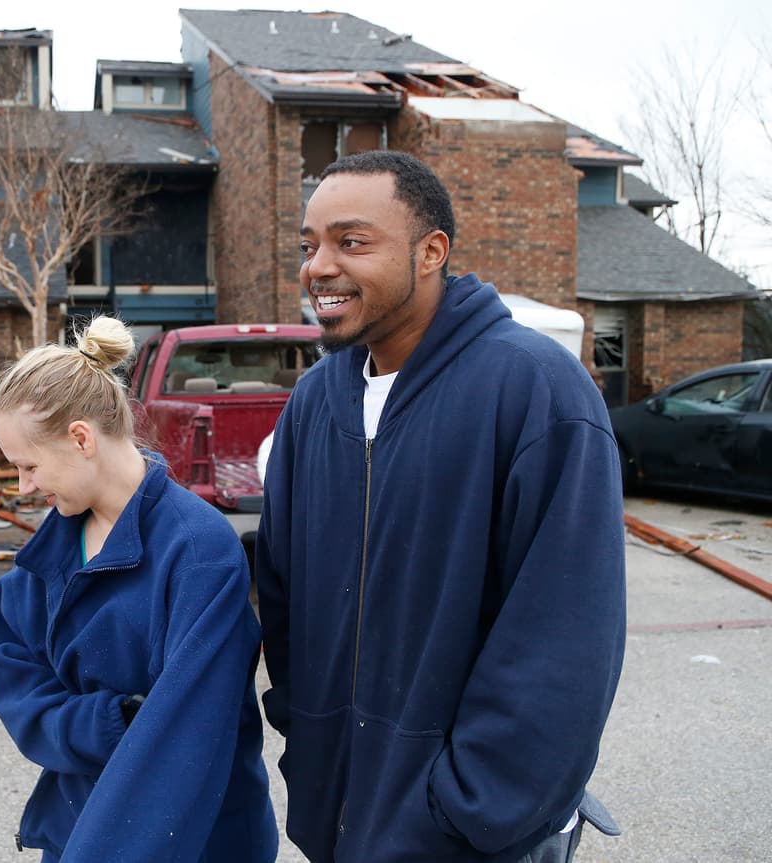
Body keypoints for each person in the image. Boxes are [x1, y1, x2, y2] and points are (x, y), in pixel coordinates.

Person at [256, 150, 626, 863]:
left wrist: (472, 807)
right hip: (340, 815)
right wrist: (307, 740)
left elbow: (565, 634)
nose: (317, 266)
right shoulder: (314, 404)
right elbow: (284, 595)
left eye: (351, 241)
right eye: (309, 245)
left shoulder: (533, 389)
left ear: (431, 253)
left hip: (475, 836)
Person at [0, 315, 278, 863]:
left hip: (191, 842)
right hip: (79, 829)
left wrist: (92, 723)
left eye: (28, 466)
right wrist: (112, 722)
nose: (22, 487)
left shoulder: (199, 553)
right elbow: (13, 671)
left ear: (81, 438)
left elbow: (181, 745)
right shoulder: (54, 548)